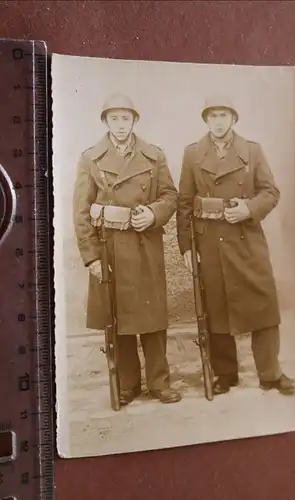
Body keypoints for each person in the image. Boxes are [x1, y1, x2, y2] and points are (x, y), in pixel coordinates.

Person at [176, 93, 295, 396]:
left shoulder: (252, 152)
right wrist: (186, 248)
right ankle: (226, 375)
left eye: (223, 115)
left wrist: (249, 209)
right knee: (215, 308)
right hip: (209, 242)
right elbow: (184, 203)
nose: (218, 122)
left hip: (247, 240)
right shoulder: (192, 154)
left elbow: (270, 192)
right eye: (212, 116)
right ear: (206, 119)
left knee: (263, 304)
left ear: (233, 119)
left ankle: (270, 374)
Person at [73, 92, 181, 405]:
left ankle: (160, 383)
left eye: (126, 118)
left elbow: (170, 196)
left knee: (152, 317)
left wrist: (154, 213)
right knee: (117, 318)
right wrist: (91, 257)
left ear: (135, 120)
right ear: (106, 121)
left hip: (145, 243)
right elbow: (80, 212)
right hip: (110, 248)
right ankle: (129, 383)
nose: (121, 125)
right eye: (114, 118)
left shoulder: (153, 155)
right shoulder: (91, 158)